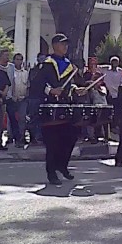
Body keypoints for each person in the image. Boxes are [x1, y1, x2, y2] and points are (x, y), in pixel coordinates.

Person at [40, 34, 80, 185]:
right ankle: (51, 173)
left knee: (71, 137)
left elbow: (71, 85)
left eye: (66, 44)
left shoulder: (69, 65)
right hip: (50, 106)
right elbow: (37, 83)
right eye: (62, 44)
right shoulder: (47, 64)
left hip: (66, 106)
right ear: (55, 45)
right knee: (52, 142)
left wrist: (77, 90)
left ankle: (62, 165)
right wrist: (50, 91)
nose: (65, 47)